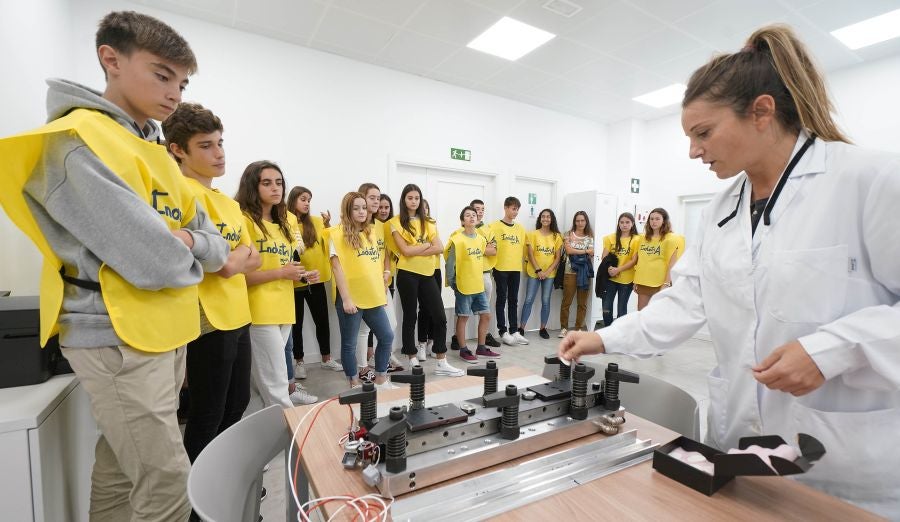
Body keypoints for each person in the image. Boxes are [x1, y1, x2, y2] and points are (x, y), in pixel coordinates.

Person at [559, 24, 900, 519]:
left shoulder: (870, 180)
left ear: (761, 112)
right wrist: (604, 339)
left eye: (703, 133)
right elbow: (686, 301)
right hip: (740, 445)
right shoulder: (722, 208)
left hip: (844, 467)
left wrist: (831, 350)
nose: (694, 151)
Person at [0, 12, 230, 520]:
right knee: (168, 479)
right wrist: (192, 249)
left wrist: (188, 242)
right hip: (115, 333)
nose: (174, 93)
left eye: (182, 81)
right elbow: (154, 259)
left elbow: (211, 245)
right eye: (161, 74)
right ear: (111, 59)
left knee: (121, 466)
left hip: (163, 327)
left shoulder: (153, 150)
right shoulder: (75, 141)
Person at [162, 103, 261, 465]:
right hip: (208, 318)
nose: (218, 154)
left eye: (220, 143)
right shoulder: (181, 193)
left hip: (238, 314)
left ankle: (221, 479)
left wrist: (231, 258)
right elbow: (219, 263)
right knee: (207, 413)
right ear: (177, 150)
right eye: (206, 146)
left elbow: (254, 256)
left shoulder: (228, 203)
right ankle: (197, 506)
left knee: (237, 405)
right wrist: (233, 258)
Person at [237, 161, 318, 407]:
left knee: (262, 389)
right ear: (253, 186)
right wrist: (281, 272)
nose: (276, 188)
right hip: (259, 312)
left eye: (279, 182)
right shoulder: (243, 221)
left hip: (284, 309)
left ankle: (260, 442)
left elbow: (284, 266)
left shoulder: (284, 224)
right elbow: (238, 276)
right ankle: (296, 444)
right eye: (267, 183)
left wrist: (301, 275)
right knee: (277, 389)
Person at [390, 184, 464, 376]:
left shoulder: (429, 222)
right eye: (410, 198)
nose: (413, 201)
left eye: (416, 198)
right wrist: (424, 246)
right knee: (410, 316)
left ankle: (441, 360)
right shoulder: (396, 222)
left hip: (428, 273)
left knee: (439, 317)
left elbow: (439, 247)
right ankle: (412, 357)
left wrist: (415, 247)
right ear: (404, 200)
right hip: (407, 274)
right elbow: (404, 251)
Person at [328, 192, 394, 388]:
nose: (361, 212)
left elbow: (374, 264)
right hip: (351, 298)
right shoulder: (336, 234)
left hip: (372, 295)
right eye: (356, 208)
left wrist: (381, 287)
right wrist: (346, 299)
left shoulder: (370, 233)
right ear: (347, 211)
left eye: (364, 207)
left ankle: (381, 378)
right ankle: (354, 382)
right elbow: (336, 268)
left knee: (387, 336)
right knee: (349, 343)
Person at [287, 186, 341, 377]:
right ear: (293, 200)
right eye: (303, 199)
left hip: (316, 279)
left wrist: (328, 226)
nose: (307, 203)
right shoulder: (286, 222)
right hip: (294, 282)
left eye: (309, 199)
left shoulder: (317, 222)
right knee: (296, 325)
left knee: (322, 321)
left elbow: (330, 244)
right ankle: (299, 361)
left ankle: (326, 358)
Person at [445, 206, 500, 363]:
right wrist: (454, 283)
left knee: (486, 315)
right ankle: (463, 350)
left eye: (474, 215)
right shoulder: (457, 240)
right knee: (463, 317)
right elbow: (450, 264)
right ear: (463, 221)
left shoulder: (481, 239)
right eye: (467, 215)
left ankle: (481, 347)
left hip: (478, 285)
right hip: (463, 286)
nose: (471, 217)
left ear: (477, 219)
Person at [518, 209, 563, 339]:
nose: (545, 219)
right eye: (543, 216)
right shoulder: (532, 234)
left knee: (546, 301)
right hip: (534, 272)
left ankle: (543, 328)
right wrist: (538, 270)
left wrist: (547, 272)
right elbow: (530, 254)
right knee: (528, 300)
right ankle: (521, 328)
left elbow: (557, 258)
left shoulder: (557, 236)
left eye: (548, 217)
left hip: (549, 274)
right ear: (540, 219)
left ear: (552, 219)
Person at [490, 197, 528, 345]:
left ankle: (514, 330)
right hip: (500, 268)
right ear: (505, 208)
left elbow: (524, 248)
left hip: (515, 268)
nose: (515, 211)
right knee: (501, 299)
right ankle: (503, 331)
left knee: (513, 300)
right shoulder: (494, 226)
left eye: (517, 209)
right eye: (513, 208)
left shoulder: (520, 229)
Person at [632, 208, 678, 310]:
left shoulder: (671, 239)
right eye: (651, 219)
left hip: (661, 284)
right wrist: (636, 280)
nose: (654, 221)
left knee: (658, 315)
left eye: (657, 219)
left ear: (664, 221)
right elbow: (641, 260)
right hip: (643, 282)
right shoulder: (643, 238)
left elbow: (672, 263)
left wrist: (666, 283)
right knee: (641, 313)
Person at [559, 211, 595, 336]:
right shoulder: (568, 234)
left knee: (582, 303)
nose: (580, 223)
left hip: (584, 273)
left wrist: (578, 251)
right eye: (578, 220)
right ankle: (564, 328)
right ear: (574, 221)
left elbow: (592, 253)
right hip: (569, 272)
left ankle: (579, 328)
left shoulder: (590, 236)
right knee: (566, 302)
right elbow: (568, 250)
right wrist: (585, 251)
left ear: (586, 222)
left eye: (582, 220)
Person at [600, 212, 639, 327]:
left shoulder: (637, 239)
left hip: (626, 280)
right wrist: (610, 269)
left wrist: (619, 269)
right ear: (618, 224)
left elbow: (634, 260)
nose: (624, 225)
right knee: (606, 308)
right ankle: (608, 330)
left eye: (627, 222)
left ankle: (619, 333)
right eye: (621, 222)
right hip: (610, 278)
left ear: (632, 224)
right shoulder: (610, 238)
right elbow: (604, 256)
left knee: (621, 309)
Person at [415, 198, 443, 354]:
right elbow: (409, 250)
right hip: (419, 270)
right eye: (421, 208)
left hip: (435, 269)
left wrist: (419, 251)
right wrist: (425, 249)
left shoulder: (432, 224)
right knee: (423, 308)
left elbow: (438, 248)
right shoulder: (411, 226)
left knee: (435, 308)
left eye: (426, 208)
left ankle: (432, 341)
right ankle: (422, 343)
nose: (424, 210)